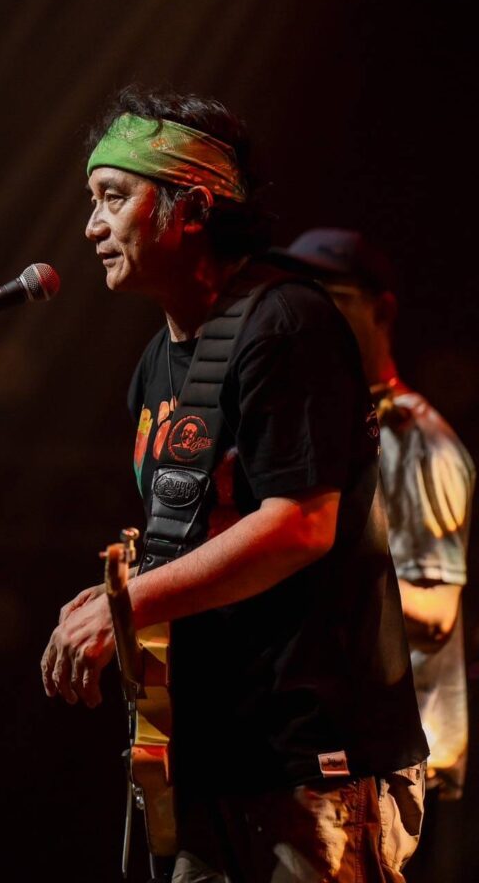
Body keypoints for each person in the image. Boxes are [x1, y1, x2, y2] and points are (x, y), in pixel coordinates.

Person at [40, 87, 428, 883]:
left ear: (192, 206)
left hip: (311, 761)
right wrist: (118, 588)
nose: (91, 227)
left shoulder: (286, 324)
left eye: (112, 197)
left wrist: (131, 604)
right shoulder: (156, 366)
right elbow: (202, 529)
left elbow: (299, 525)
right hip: (213, 756)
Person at [272, 227, 474, 877]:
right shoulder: (329, 430)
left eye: (331, 299)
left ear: (381, 311)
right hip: (335, 751)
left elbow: (436, 614)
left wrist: (304, 570)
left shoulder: (417, 443)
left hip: (387, 763)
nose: (310, 319)